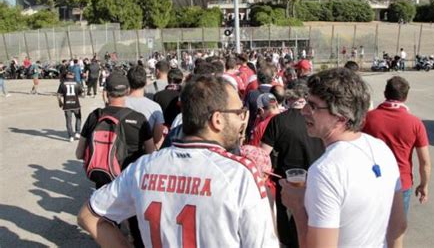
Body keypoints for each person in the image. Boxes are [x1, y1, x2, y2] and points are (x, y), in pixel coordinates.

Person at [77, 76, 279, 247]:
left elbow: (89, 215)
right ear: (217, 119)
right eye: (239, 113)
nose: (242, 120)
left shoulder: (143, 167)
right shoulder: (239, 174)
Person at [280, 68, 406, 248]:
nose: (304, 111)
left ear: (341, 118)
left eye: (313, 106)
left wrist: (298, 207)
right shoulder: (381, 149)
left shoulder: (325, 171)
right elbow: (398, 226)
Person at [76, 71, 154, 247]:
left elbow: (79, 153)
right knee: (137, 229)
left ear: (105, 92)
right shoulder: (138, 119)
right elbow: (151, 154)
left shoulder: (94, 116)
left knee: (107, 227)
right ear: (127, 91)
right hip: (131, 184)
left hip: (104, 182)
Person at [261, 81, 325, 248]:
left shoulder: (278, 121)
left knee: (289, 235)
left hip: (286, 184)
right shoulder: (320, 120)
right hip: (317, 182)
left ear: (289, 97)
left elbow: (262, 155)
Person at [363, 76, 431, 218]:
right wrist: (424, 185)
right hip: (401, 182)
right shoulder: (415, 123)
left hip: (372, 181)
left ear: (385, 93)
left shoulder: (367, 119)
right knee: (396, 231)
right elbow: (424, 162)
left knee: (371, 229)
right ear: (405, 97)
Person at [125, 65, 167, 150]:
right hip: (145, 153)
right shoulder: (155, 107)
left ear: (128, 81)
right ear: (145, 82)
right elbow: (158, 138)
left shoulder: (120, 104)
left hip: (121, 153)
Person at [56, 72, 83, 142]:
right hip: (76, 104)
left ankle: (71, 136)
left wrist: (60, 102)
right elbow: (81, 94)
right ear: (73, 76)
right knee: (78, 118)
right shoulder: (77, 83)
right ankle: (77, 132)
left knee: (68, 120)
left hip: (67, 105)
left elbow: (58, 94)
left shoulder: (62, 83)